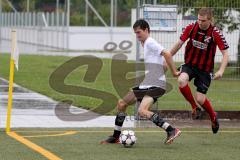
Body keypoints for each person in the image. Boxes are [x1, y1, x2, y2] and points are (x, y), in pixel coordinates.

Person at [100, 19, 181, 145]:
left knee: (142, 111)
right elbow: (164, 62)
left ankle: (171, 130)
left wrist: (175, 72)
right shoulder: (146, 43)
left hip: (156, 85)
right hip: (148, 83)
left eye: (139, 32)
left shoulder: (150, 42)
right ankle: (116, 137)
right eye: (135, 33)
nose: (137, 36)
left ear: (146, 30)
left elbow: (167, 54)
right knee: (122, 103)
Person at [170, 7, 229, 134]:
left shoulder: (215, 33)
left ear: (210, 20)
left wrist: (221, 71)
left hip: (205, 70)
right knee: (181, 80)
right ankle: (194, 107)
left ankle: (213, 117)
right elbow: (179, 43)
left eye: (203, 20)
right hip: (190, 65)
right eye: (198, 19)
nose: (200, 22)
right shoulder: (191, 27)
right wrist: (168, 56)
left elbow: (225, 54)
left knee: (201, 99)